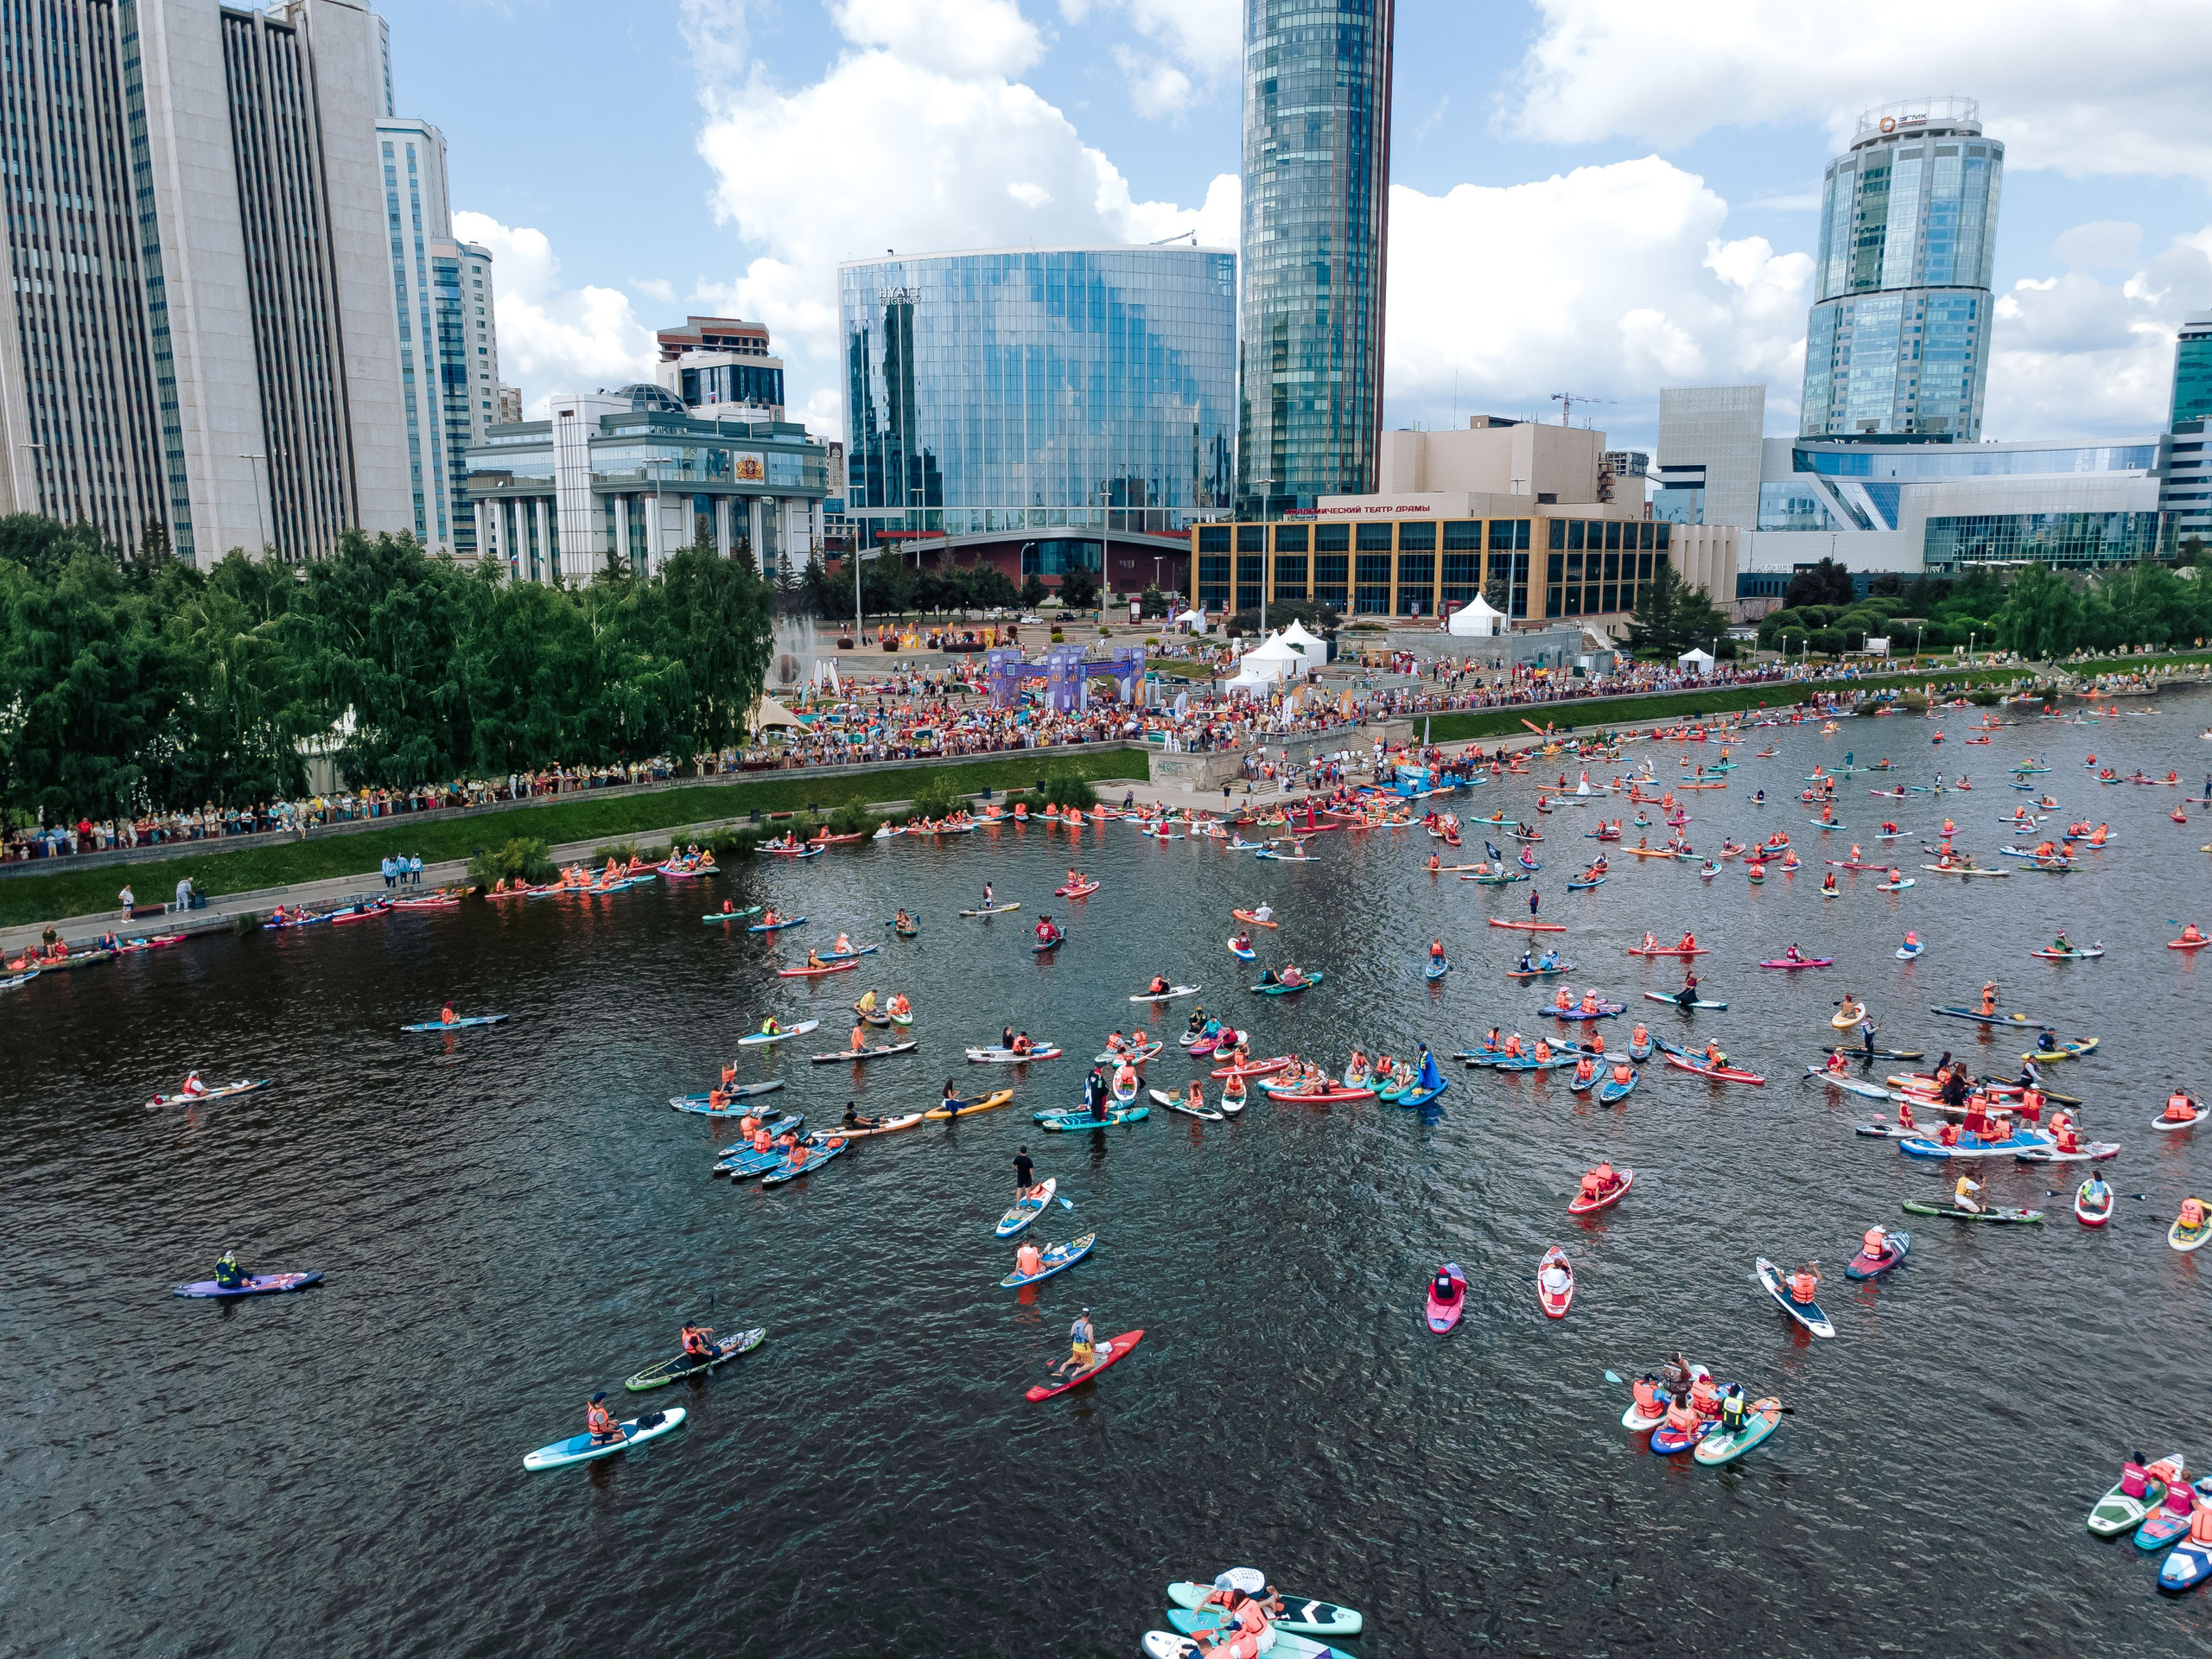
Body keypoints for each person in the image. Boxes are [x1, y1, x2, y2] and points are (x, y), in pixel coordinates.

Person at [1050, 1309, 1098, 1377]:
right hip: (1084, 1349)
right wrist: (1093, 1346)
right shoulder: (1089, 1326)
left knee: (1075, 1359)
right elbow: (1091, 1340)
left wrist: (1075, 1344)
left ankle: (1066, 1364)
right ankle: (1079, 1370)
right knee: (1091, 1364)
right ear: (1089, 1316)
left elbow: (1072, 1335)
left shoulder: (1076, 1322)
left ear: (1081, 1315)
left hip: (1075, 1346)